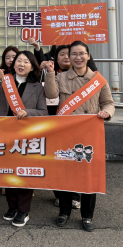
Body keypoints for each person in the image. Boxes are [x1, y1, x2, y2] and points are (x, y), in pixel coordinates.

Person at [44, 40, 115, 232]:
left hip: (89, 134)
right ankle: (64, 211)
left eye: (81, 53)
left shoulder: (98, 80)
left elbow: (108, 102)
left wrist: (107, 113)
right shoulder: (60, 77)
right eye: (73, 54)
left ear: (88, 56)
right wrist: (50, 73)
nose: (77, 57)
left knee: (89, 174)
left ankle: (87, 215)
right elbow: (51, 95)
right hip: (66, 133)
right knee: (65, 172)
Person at [0, 51, 48, 227]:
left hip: (26, 136)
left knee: (24, 173)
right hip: (4, 134)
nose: (21, 64)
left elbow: (43, 112)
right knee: (7, 172)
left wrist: (28, 112)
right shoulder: (5, 81)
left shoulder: (38, 87)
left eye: (26, 62)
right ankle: (12, 207)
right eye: (18, 60)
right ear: (13, 64)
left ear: (32, 67)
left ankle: (23, 210)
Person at [39, 45, 80, 210]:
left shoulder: (82, 74)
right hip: (53, 123)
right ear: (55, 58)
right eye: (62, 54)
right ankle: (59, 195)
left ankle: (75, 195)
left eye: (69, 54)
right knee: (56, 160)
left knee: (74, 160)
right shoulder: (49, 73)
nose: (66, 57)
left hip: (74, 125)